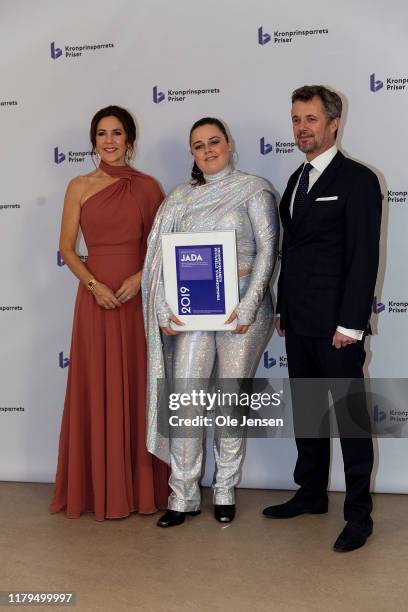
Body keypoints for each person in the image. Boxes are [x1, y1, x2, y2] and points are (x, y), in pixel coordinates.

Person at [142, 117, 279, 527]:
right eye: (198, 146)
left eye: (213, 141)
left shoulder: (253, 189)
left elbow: (269, 251)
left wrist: (250, 305)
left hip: (243, 312)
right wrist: (165, 310)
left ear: (229, 143)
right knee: (186, 399)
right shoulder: (179, 198)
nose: (207, 150)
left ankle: (224, 489)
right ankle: (182, 495)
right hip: (193, 311)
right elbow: (164, 260)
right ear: (193, 154)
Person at [262, 86, 382, 552]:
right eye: (295, 119)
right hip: (299, 321)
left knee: (351, 421)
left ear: (334, 122)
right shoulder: (295, 180)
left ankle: (359, 515)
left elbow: (363, 257)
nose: (301, 128)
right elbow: (293, 253)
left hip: (339, 329)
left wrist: (351, 324)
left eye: (310, 119)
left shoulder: (358, 180)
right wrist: (283, 309)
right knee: (309, 414)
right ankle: (311, 494)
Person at [50, 105, 169, 521]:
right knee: (98, 387)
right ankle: (100, 488)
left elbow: (161, 247)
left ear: (130, 141)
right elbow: (67, 247)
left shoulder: (149, 187)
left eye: (117, 133)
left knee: (139, 388)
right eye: (102, 133)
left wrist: (139, 279)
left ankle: (142, 490)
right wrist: (94, 286)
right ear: (94, 141)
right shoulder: (79, 185)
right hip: (95, 301)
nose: (110, 140)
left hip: (137, 299)